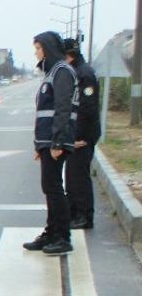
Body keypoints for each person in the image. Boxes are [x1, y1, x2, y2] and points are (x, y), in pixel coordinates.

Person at [23, 32, 76, 256]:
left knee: (54, 188)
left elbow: (62, 109)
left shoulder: (62, 72)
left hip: (57, 140)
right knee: (49, 187)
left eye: (38, 48)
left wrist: (56, 142)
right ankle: (51, 232)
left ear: (47, 48)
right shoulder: (52, 72)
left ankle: (62, 236)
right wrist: (40, 145)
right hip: (47, 141)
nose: (36, 53)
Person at [64, 38, 101, 229]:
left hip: (83, 136)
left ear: (67, 55)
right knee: (71, 175)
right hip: (77, 134)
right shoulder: (76, 71)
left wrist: (78, 137)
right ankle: (74, 213)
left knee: (79, 176)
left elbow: (87, 108)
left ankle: (84, 216)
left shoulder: (83, 73)